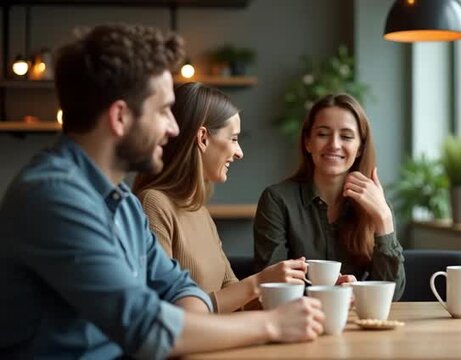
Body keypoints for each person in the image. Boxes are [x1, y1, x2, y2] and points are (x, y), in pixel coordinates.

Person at [0, 24, 323, 358]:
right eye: (163, 110)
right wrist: (272, 324)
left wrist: (190, 317)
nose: (173, 127)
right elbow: (148, 328)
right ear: (121, 117)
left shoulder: (121, 202)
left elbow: (177, 288)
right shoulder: (54, 199)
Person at [132, 82, 307, 313]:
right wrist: (258, 282)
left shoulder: (199, 210)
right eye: (233, 139)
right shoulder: (153, 205)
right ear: (203, 138)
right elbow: (167, 313)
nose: (239, 152)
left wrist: (313, 292)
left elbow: (233, 294)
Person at [254, 93, 405, 300]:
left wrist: (384, 218)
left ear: (360, 147)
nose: (334, 144)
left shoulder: (377, 205)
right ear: (308, 142)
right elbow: (272, 285)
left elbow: (392, 294)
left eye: (346, 136)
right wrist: (328, 294)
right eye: (323, 134)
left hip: (357, 325)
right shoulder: (277, 199)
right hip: (295, 322)